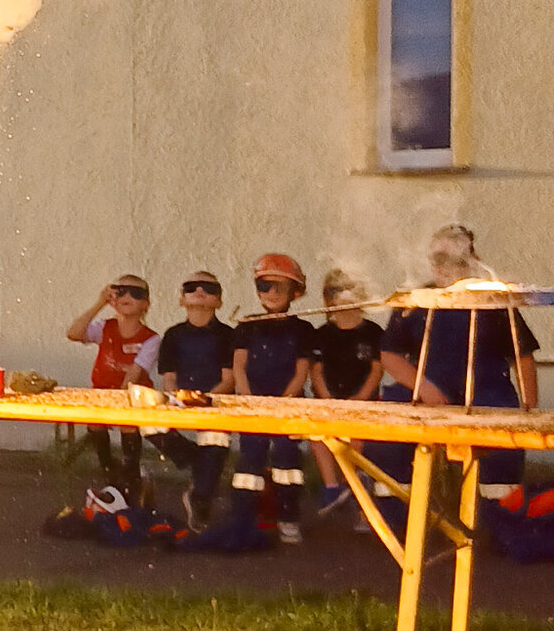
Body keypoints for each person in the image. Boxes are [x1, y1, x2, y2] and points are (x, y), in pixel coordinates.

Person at [371, 226, 540, 532]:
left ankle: (503, 525)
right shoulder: (415, 299)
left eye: (449, 258)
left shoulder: (493, 300)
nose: (440, 265)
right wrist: (422, 386)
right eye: (436, 257)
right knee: (389, 430)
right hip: (428, 388)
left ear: (469, 261)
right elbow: (390, 356)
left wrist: (529, 409)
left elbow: (522, 356)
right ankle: (396, 523)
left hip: (486, 388)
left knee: (506, 433)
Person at [226, 253, 312, 546]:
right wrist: (248, 399)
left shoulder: (302, 329)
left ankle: (288, 518)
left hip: (288, 406)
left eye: (279, 286)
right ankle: (242, 520)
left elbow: (302, 370)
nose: (271, 293)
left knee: (287, 462)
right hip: (253, 403)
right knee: (249, 460)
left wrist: (285, 401)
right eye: (264, 286)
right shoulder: (247, 326)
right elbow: (239, 365)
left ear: (295, 292)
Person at [155, 271, 236, 531]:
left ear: (219, 302)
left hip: (215, 401)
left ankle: (200, 501)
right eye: (191, 287)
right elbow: (168, 378)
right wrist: (178, 399)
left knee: (216, 437)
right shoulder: (172, 335)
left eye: (209, 288)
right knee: (146, 423)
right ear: (181, 299)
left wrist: (206, 400)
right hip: (180, 401)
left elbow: (229, 379)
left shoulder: (227, 335)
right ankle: (194, 459)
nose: (200, 291)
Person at [65, 275, 160, 493]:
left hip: (132, 395)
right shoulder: (104, 328)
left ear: (146, 304)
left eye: (136, 293)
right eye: (120, 291)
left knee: (127, 422)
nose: (127, 296)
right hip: (103, 392)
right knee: (95, 422)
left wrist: (116, 402)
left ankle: (131, 471)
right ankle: (107, 468)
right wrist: (99, 303)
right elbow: (74, 333)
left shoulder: (151, 338)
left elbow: (134, 376)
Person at [306, 268, 384, 524]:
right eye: (337, 291)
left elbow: (377, 369)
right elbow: (316, 370)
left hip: (364, 402)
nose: (344, 297)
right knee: (319, 438)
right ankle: (332, 488)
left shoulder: (373, 332)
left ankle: (358, 498)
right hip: (329, 402)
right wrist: (327, 399)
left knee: (358, 442)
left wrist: (361, 398)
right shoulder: (322, 334)